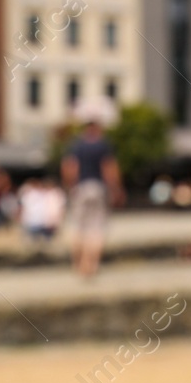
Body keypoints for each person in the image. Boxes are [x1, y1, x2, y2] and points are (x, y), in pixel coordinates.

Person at [61, 119, 124, 277]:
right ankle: (91, 265)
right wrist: (116, 189)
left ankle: (78, 263)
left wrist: (70, 187)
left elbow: (69, 167)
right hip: (98, 188)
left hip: (80, 188)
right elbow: (108, 168)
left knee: (78, 227)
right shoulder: (103, 145)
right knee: (96, 228)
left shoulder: (76, 145)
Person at [18, 177, 66, 243]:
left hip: (45, 220)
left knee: (47, 238)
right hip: (35, 221)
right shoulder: (32, 194)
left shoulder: (54, 194)